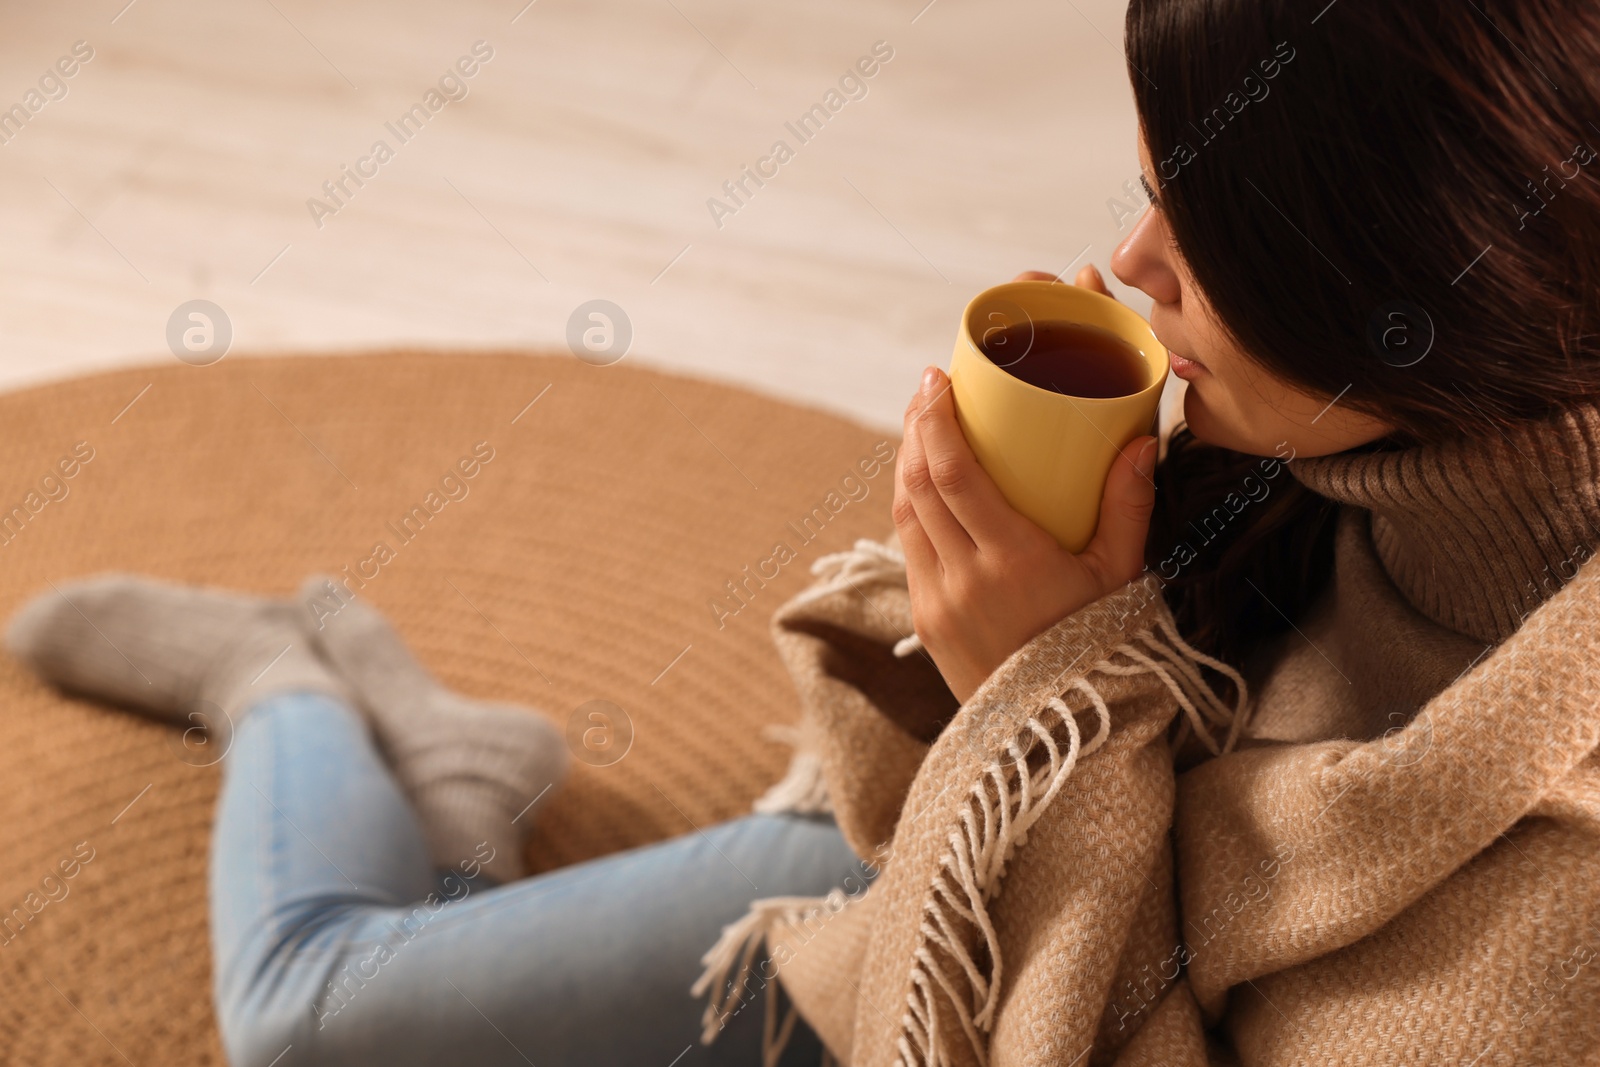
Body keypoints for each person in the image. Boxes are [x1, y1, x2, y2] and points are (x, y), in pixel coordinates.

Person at [9, 0, 1600, 1063]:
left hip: (1002, 954)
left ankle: (314, 694)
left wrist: (1048, 699)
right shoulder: (1352, 443)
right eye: (1148, 182)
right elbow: (900, 813)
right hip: (957, 908)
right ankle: (308, 686)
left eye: (1221, 221)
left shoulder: (1555, 928)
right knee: (315, 1023)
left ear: (1454, 265)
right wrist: (1013, 655)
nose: (1130, 258)